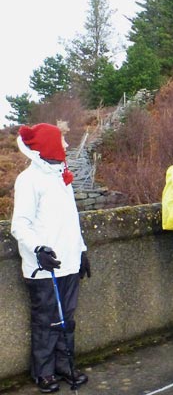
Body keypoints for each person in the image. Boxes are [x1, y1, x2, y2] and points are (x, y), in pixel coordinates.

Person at [11, 123, 90, 393]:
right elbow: (19, 225)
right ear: (48, 146)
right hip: (44, 268)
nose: (66, 146)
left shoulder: (60, 176)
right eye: (62, 141)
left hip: (68, 263)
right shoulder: (29, 180)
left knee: (66, 319)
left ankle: (64, 365)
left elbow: (71, 221)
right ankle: (43, 372)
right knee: (46, 321)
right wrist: (38, 250)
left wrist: (81, 251)